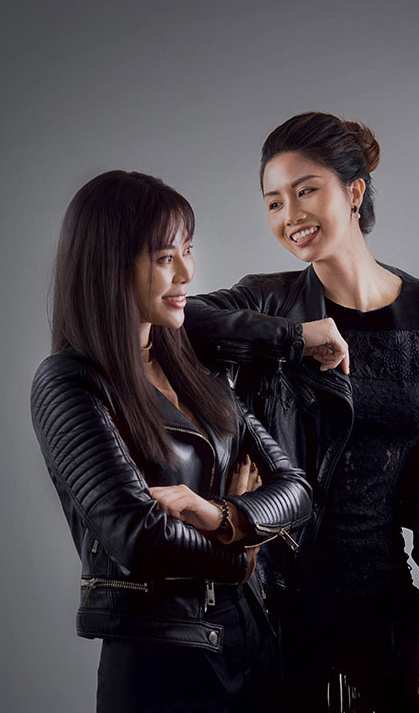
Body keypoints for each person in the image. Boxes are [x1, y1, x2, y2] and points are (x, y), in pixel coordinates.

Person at [184, 112, 419, 712]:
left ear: (354, 191)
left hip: (383, 589)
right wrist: (292, 338)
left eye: (305, 191)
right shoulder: (269, 298)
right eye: (273, 203)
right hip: (277, 598)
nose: (290, 216)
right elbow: (176, 320)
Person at [30, 170, 313, 713]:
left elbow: (295, 487)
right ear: (110, 267)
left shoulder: (194, 366)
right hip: (161, 665)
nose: (188, 272)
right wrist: (240, 558)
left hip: (253, 650)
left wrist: (222, 516)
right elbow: (136, 534)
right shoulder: (69, 381)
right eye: (165, 258)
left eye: (187, 251)